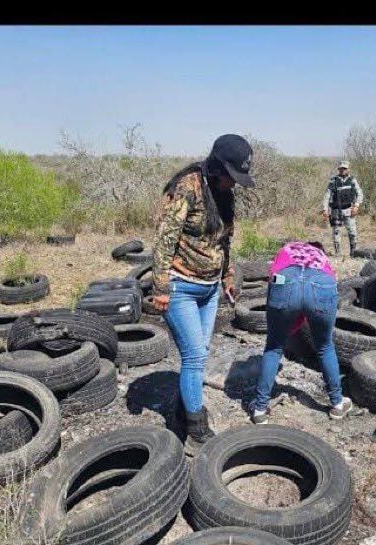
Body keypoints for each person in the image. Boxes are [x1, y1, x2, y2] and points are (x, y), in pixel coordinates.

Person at [151, 134, 255, 454]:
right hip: (181, 286)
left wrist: (228, 276)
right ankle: (196, 430)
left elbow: (224, 241)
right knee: (194, 356)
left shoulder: (225, 194)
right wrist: (160, 287)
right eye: (231, 176)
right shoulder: (187, 187)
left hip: (209, 290)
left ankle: (181, 411)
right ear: (216, 167)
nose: (233, 183)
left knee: (200, 353)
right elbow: (165, 239)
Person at [249, 240, 353, 424]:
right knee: (325, 347)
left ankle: (260, 409)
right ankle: (337, 403)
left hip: (285, 281)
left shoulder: (286, 250)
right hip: (323, 283)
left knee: (273, 348)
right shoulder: (322, 258)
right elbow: (321, 290)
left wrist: (285, 330)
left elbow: (273, 281)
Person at [322, 160, 363, 256]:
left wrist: (356, 206)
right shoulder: (333, 180)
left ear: (348, 169)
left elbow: (360, 194)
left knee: (352, 232)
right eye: (341, 168)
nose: (343, 170)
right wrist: (325, 209)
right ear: (338, 169)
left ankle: (353, 253)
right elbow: (327, 195)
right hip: (336, 210)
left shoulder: (352, 180)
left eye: (344, 168)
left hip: (349, 209)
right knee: (336, 232)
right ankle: (338, 254)